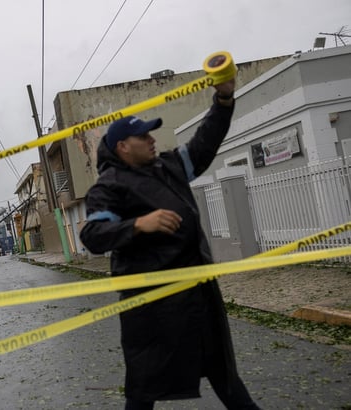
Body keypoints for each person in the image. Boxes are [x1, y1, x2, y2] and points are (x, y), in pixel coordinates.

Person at [79, 79, 261, 410]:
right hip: (154, 308)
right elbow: (93, 236)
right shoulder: (108, 187)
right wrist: (137, 224)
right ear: (122, 146)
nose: (152, 140)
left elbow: (205, 143)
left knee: (225, 376)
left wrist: (223, 99)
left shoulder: (168, 166)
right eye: (144, 136)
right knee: (143, 389)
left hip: (199, 296)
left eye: (152, 134)